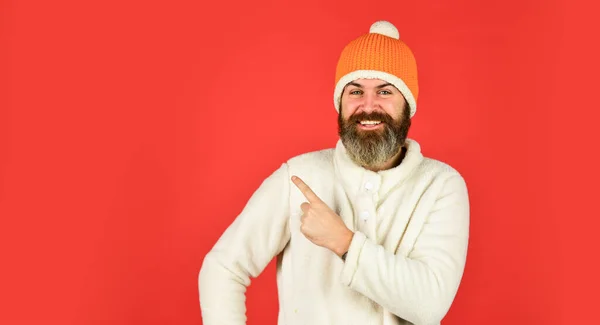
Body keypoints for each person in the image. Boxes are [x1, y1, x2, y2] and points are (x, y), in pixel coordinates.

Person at [198, 20, 470, 325]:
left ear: (407, 104)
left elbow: (429, 305)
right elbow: (223, 268)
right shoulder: (299, 177)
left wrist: (344, 241)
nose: (369, 106)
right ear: (340, 102)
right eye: (355, 91)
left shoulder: (440, 185)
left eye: (384, 91)